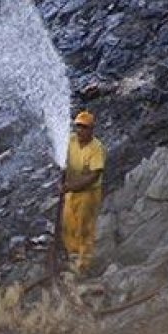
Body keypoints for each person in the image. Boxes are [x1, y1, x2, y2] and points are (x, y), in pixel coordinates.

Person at [60, 110, 105, 276]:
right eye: (78, 126)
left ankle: (84, 262)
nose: (80, 130)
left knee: (83, 226)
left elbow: (94, 176)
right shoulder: (70, 141)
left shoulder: (97, 148)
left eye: (84, 127)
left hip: (88, 194)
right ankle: (72, 256)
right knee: (68, 223)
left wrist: (71, 186)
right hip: (71, 191)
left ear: (91, 129)